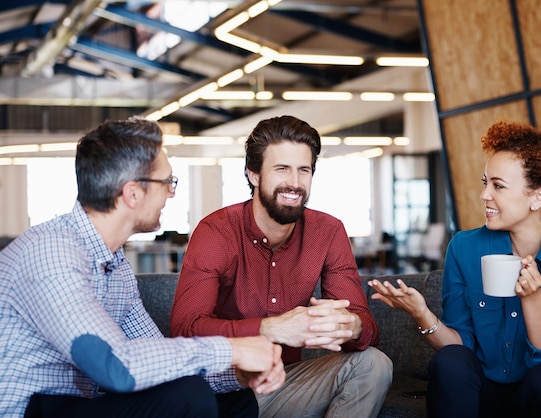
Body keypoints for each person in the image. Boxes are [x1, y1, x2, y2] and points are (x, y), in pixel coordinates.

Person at [0, 118, 285, 418]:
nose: (171, 194)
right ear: (133, 193)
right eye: (167, 183)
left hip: (74, 405)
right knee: (189, 396)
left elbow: (157, 360)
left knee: (236, 399)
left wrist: (238, 374)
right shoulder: (52, 253)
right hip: (25, 410)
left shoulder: (116, 267)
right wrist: (231, 349)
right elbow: (116, 367)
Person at [369, 121, 541, 418]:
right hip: (479, 392)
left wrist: (532, 297)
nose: (484, 195)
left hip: (537, 394)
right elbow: (460, 344)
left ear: (538, 197)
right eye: (485, 183)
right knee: (451, 360)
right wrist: (422, 314)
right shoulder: (464, 247)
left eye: (498, 186)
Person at [170, 115, 393, 418]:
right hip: (223, 390)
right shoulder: (216, 232)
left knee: (374, 363)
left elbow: (365, 323)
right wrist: (270, 328)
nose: (295, 183)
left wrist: (350, 326)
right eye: (281, 169)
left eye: (304, 170)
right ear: (254, 175)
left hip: (286, 385)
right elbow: (184, 330)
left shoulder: (328, 231)